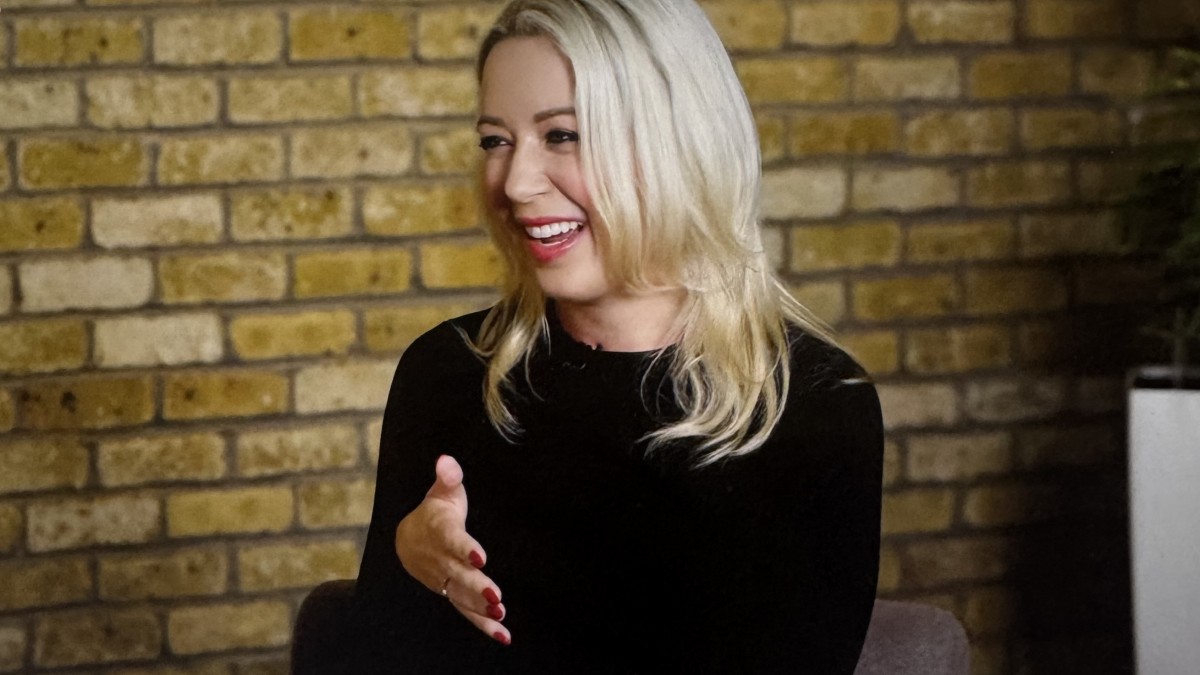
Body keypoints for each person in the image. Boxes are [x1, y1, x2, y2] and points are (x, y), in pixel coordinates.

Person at [347, 0, 883, 672]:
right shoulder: (447, 371)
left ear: (679, 143)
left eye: (563, 135)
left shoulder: (814, 401)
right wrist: (408, 562)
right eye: (495, 140)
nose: (516, 183)